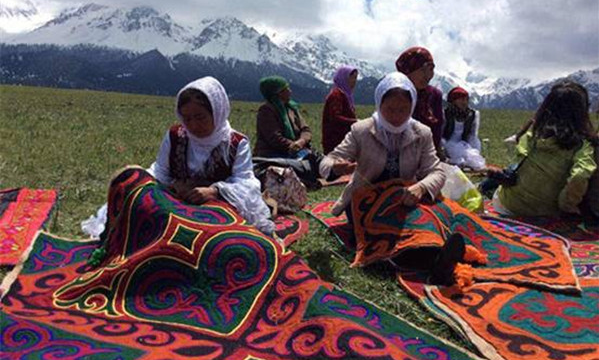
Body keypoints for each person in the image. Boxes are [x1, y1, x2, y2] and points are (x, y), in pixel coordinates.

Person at [318, 73, 465, 284]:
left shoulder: (421, 133)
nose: (397, 116)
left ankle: (436, 253)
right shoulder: (361, 130)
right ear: (379, 104)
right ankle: (432, 260)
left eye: (403, 110)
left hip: (404, 196)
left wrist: (421, 188)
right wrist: (335, 168)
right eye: (390, 109)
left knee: (433, 214)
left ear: (412, 106)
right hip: (365, 200)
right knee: (392, 228)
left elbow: (436, 171)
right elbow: (328, 161)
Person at [82, 76, 274, 237]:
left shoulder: (236, 143)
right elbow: (160, 172)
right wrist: (170, 186)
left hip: (217, 208)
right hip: (176, 203)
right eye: (186, 118)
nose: (192, 125)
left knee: (217, 233)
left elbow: (246, 184)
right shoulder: (175, 136)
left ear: (217, 111)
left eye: (200, 117)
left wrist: (215, 191)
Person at [493, 81, 597, 217]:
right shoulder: (582, 145)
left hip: (508, 205)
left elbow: (517, 164)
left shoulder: (532, 136)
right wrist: (567, 205)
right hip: (545, 212)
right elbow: (579, 175)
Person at [395, 47, 445, 159]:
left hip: (427, 155)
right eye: (423, 70)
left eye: (431, 69)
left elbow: (437, 131)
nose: (428, 75)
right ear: (408, 70)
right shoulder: (394, 94)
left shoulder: (434, 95)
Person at [254, 76, 313, 158]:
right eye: (286, 89)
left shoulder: (291, 108)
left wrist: (302, 141)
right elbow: (275, 139)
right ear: (278, 93)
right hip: (273, 154)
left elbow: (305, 129)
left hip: (298, 149)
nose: (290, 91)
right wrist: (294, 146)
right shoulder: (266, 111)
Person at [442, 86, 486, 171]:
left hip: (464, 143)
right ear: (453, 101)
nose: (464, 102)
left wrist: (474, 149)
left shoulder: (472, 114)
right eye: (461, 99)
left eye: (466, 99)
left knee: (472, 157)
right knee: (460, 160)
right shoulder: (445, 113)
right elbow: (440, 133)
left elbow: (473, 135)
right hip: (448, 142)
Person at [322, 65, 358, 154]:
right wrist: (356, 122)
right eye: (352, 78)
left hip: (342, 139)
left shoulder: (345, 95)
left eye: (356, 78)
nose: (355, 81)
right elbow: (335, 118)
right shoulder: (337, 95)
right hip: (335, 141)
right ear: (344, 78)